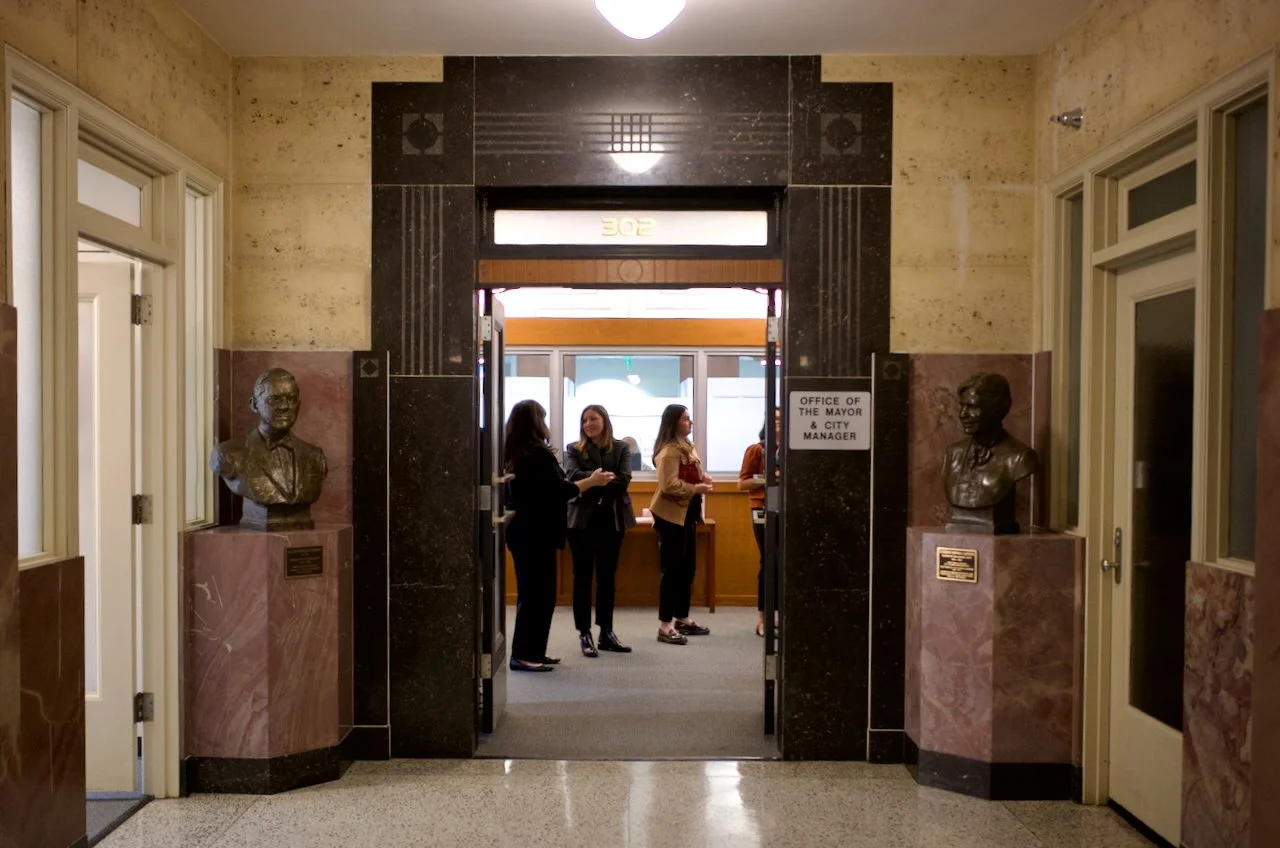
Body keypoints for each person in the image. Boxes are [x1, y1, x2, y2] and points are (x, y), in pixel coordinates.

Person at [504, 400, 613, 672]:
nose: (547, 422)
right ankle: (525, 655)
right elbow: (558, 491)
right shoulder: (534, 454)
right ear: (534, 422)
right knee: (536, 596)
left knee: (539, 595)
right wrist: (590, 483)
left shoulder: (521, 451)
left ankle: (533, 652)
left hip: (529, 533)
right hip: (534, 534)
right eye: (543, 417)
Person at [565, 405, 637, 657]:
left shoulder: (621, 448)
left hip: (611, 519)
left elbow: (624, 479)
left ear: (604, 421)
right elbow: (572, 477)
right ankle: (584, 632)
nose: (588, 424)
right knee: (582, 578)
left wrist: (594, 481)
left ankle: (606, 631)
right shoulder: (573, 449)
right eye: (584, 420)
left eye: (593, 419)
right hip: (581, 521)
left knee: (607, 578)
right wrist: (596, 479)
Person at [649, 404, 714, 645]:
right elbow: (669, 486)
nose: (690, 422)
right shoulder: (669, 451)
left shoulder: (688, 447)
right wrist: (696, 488)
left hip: (688, 514)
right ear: (674, 422)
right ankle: (665, 625)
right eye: (686, 419)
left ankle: (682, 618)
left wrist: (702, 479)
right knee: (672, 570)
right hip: (670, 516)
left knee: (687, 568)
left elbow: (691, 474)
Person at [738, 409, 781, 637]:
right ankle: (763, 617)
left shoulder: (790, 449)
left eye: (782, 418)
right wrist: (767, 479)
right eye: (774, 419)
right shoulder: (757, 450)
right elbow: (742, 483)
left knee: (783, 562)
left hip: (785, 509)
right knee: (769, 560)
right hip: (762, 508)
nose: (778, 422)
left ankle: (779, 616)